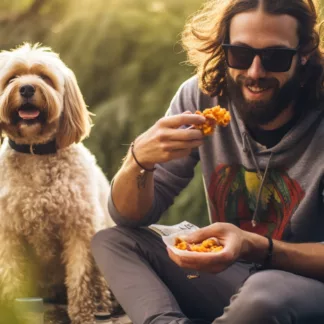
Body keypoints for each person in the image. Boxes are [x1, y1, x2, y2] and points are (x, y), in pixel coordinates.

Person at [91, 0, 324, 323]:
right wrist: (138, 160)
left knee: (264, 294)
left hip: (305, 286)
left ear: (305, 52)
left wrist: (256, 247)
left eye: (275, 58)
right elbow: (128, 216)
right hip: (230, 274)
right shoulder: (202, 97)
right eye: (240, 55)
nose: (255, 72)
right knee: (114, 242)